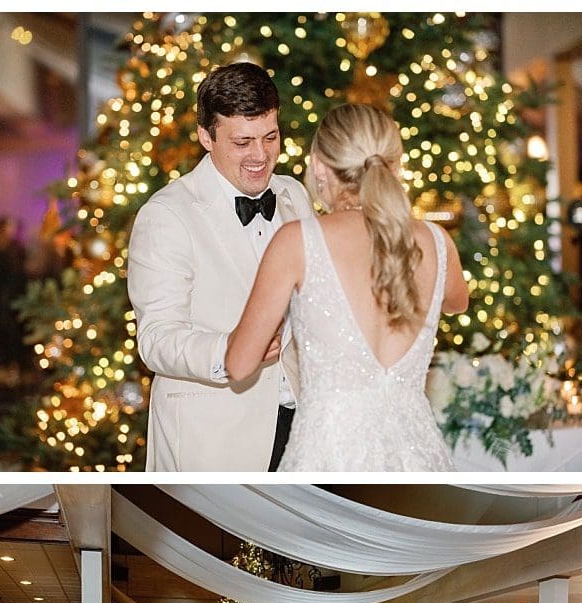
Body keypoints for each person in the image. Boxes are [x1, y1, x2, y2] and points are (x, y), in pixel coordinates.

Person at [221, 102, 466, 471]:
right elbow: (456, 303)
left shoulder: (297, 241)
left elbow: (239, 365)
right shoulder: (436, 240)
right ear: (395, 165)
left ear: (318, 164)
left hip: (328, 458)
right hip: (417, 459)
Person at [130, 62, 310, 471]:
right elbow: (156, 339)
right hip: (213, 440)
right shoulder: (166, 215)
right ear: (205, 137)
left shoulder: (294, 196)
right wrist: (232, 352)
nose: (260, 156)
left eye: (270, 137)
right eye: (242, 142)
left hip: (300, 432)